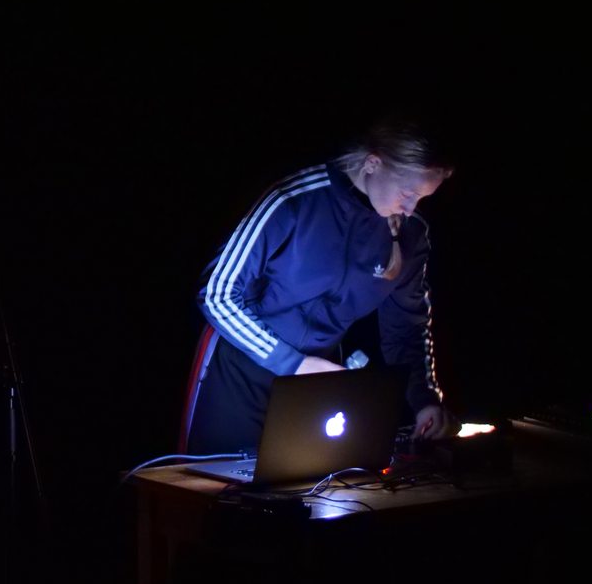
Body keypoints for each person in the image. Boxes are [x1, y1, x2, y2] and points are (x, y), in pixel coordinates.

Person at [183, 117, 457, 455]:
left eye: (422, 198)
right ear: (373, 163)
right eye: (407, 193)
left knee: (308, 482)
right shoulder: (293, 199)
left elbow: (407, 329)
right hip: (238, 373)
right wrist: (293, 364)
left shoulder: (411, 234)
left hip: (316, 381)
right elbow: (215, 293)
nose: (411, 208)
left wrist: (425, 399)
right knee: (216, 481)